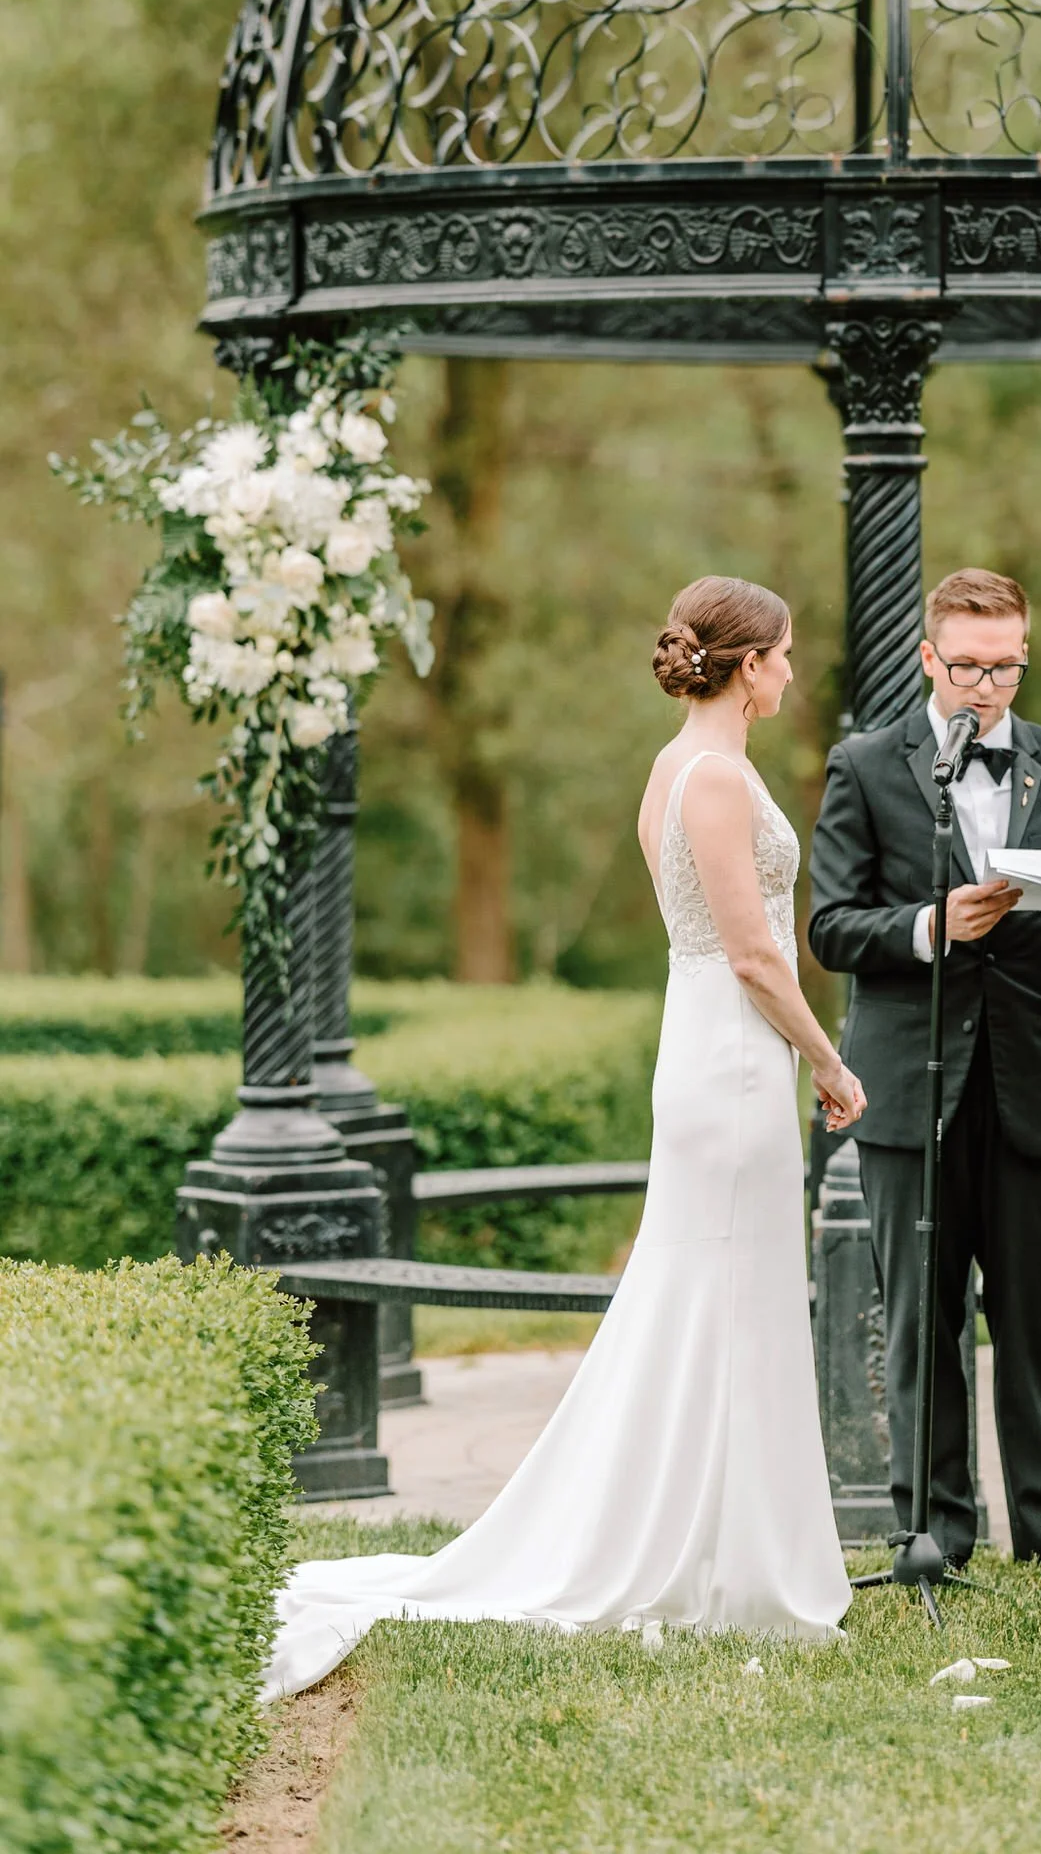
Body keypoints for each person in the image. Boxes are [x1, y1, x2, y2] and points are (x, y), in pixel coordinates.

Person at [261, 576, 865, 1699]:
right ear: (745, 665)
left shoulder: (667, 768)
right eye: (782, 653)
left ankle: (721, 1545)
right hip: (733, 1051)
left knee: (714, 1298)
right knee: (728, 1297)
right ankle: (716, 1556)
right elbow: (751, 951)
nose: (793, 670)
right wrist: (828, 1061)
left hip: (706, 1042)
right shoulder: (721, 779)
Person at [808, 567, 1041, 1568]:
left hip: (1034, 1083)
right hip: (912, 1088)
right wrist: (927, 925)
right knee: (923, 1323)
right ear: (928, 659)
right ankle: (935, 1533)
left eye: (1004, 668)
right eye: (966, 666)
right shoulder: (867, 767)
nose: (985, 688)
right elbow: (830, 926)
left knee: (1038, 1324)